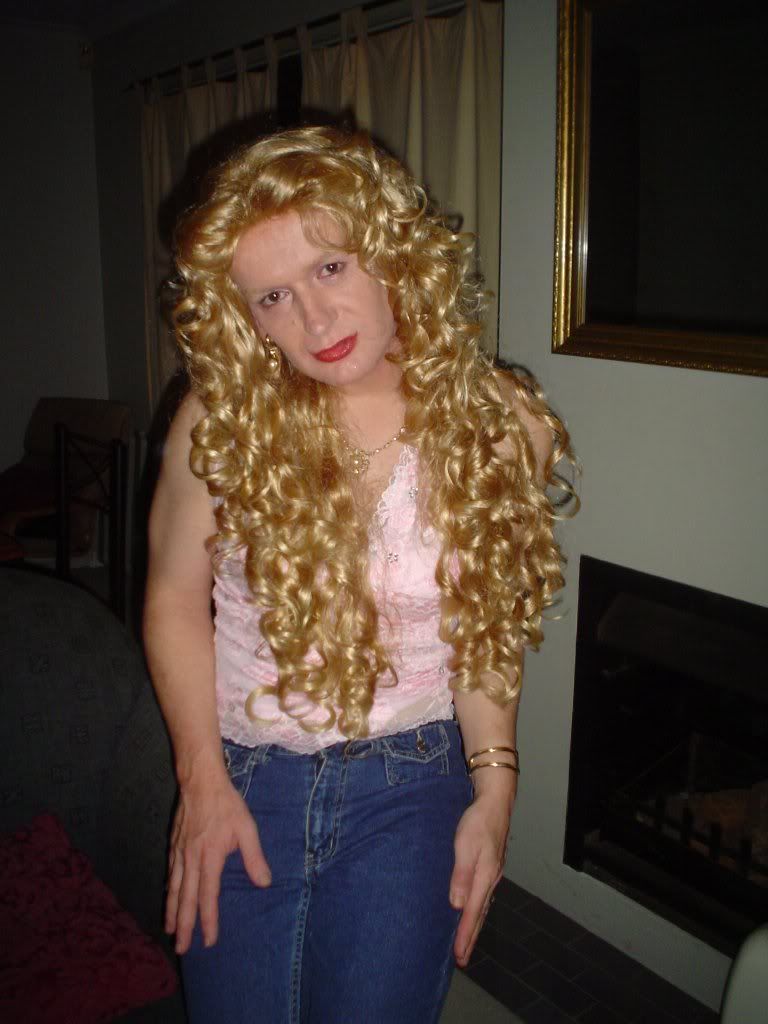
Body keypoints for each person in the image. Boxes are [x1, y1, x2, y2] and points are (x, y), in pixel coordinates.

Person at [144, 125, 575, 1023]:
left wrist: (496, 787)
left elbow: (484, 626)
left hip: (411, 781)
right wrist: (201, 782)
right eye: (273, 296)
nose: (314, 321)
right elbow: (174, 597)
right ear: (245, 315)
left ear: (390, 253)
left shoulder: (500, 426)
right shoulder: (218, 422)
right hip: (245, 772)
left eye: (330, 268)